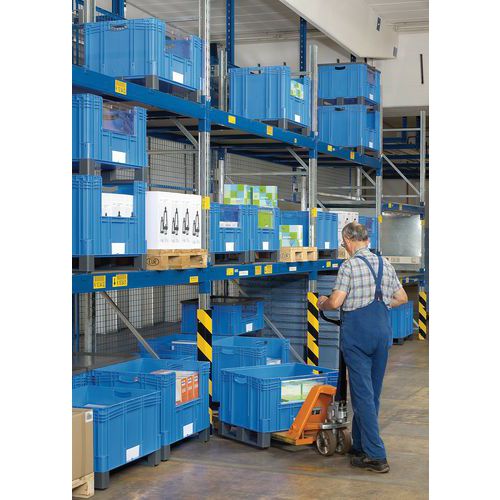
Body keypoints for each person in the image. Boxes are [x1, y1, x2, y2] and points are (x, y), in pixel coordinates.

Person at [317, 222, 408, 473]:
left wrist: (323, 302)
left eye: (343, 242)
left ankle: (376, 455)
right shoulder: (385, 264)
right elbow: (402, 298)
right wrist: (381, 302)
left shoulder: (349, 266)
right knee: (371, 395)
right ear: (366, 240)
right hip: (382, 334)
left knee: (362, 396)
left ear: (348, 240)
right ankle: (359, 446)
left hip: (358, 337)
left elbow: (336, 302)